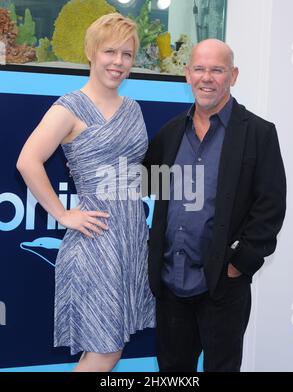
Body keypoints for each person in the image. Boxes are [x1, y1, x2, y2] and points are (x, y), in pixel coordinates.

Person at [16, 13, 155, 372]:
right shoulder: (70, 107)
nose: (119, 62)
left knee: (112, 347)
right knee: (105, 349)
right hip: (95, 241)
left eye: (127, 54)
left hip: (130, 238)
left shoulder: (134, 109)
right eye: (110, 51)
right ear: (91, 52)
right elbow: (27, 161)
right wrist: (63, 214)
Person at [143, 39, 286, 372]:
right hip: (171, 285)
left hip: (222, 286)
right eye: (200, 69)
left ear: (232, 76)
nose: (207, 78)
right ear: (187, 74)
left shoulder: (259, 134)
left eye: (217, 70)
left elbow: (271, 205)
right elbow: (147, 186)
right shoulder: (170, 133)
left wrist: (239, 264)